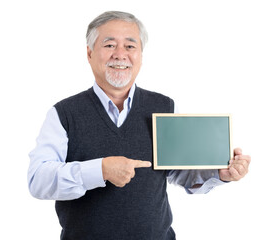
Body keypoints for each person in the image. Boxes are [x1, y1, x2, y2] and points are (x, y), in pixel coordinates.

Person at [28, 11, 251, 240]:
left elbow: (179, 173)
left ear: (141, 55)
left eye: (130, 46)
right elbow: (38, 180)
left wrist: (218, 173)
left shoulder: (163, 106)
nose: (120, 55)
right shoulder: (64, 113)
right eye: (109, 45)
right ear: (89, 53)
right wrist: (100, 170)